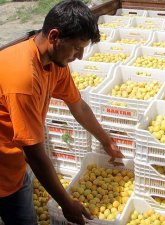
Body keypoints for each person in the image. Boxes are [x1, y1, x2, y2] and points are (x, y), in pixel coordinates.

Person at [0, 1, 123, 225]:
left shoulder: (55, 64)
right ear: (55, 36)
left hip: (14, 170)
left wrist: (106, 141)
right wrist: (66, 203)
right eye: (77, 48)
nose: (80, 57)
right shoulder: (24, 78)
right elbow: (35, 155)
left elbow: (78, 105)